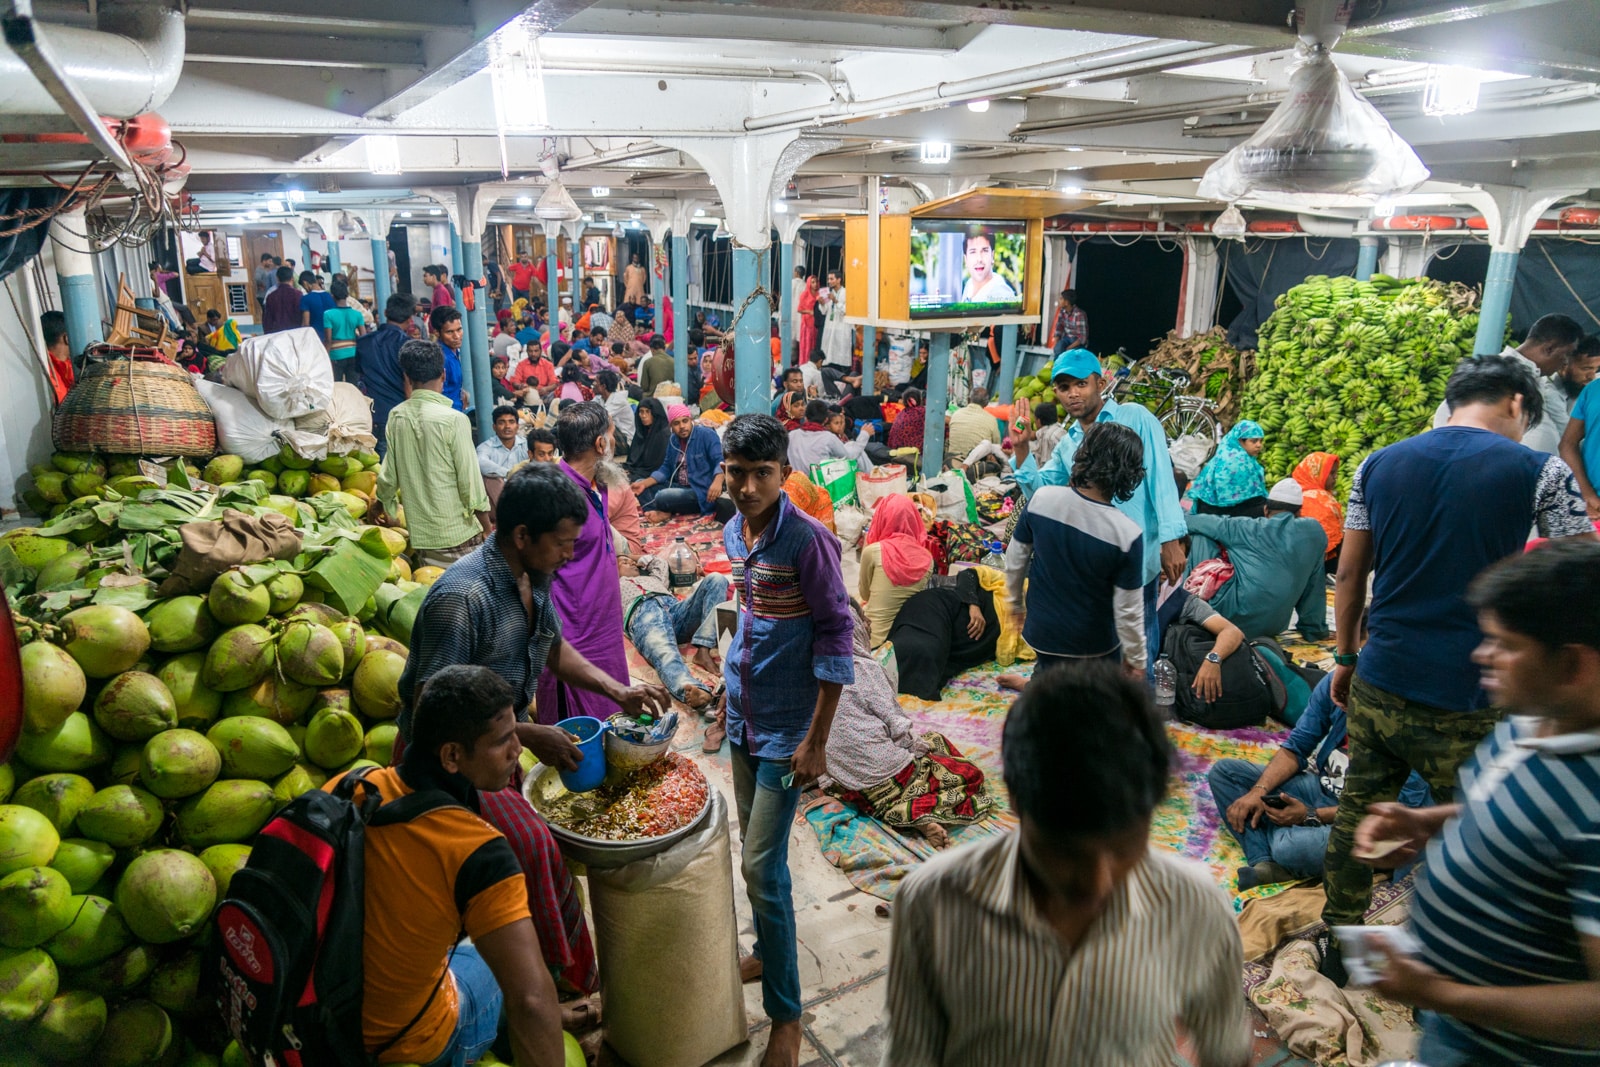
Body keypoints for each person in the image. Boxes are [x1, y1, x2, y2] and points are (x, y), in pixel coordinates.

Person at [1320, 354, 1596, 985]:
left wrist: (1344, 656)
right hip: (1473, 691)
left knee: (1365, 809)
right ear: (1519, 405)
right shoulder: (1540, 470)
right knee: (1473, 827)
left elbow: (1351, 575)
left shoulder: (1379, 463)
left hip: (1383, 675)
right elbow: (1584, 579)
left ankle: (1342, 944)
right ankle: (1456, 954)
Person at [882, 660, 1250, 1067]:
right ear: (1016, 801)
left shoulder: (1197, 910)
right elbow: (910, 1056)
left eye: (1123, 847)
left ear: (1152, 811)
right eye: (1066, 853)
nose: (1097, 881)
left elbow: (1227, 1055)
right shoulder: (933, 903)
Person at [399, 464, 669, 1000]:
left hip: (496, 743)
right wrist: (529, 735)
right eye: (563, 544)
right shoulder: (462, 599)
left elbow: (552, 650)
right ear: (522, 536)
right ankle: (564, 991)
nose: (571, 555)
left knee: (549, 845)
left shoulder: (535, 578)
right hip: (444, 758)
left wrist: (621, 691)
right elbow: (431, 707)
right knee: (532, 846)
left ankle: (553, 968)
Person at [1353, 543, 1600, 1066]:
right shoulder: (1530, 716)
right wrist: (1429, 821)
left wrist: (1444, 995)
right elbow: (1510, 811)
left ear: (1573, 664)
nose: (1480, 655)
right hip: (1456, 1029)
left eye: (1503, 644)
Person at [711, 413, 853, 1067]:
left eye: (760, 474)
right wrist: (725, 685)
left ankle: (787, 1016)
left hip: (790, 729)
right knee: (757, 854)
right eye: (736, 472)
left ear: (784, 474)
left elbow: (835, 637)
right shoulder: (733, 531)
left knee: (759, 867)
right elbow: (747, 617)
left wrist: (817, 740)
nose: (745, 486)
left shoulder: (810, 542)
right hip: (744, 714)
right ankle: (769, 950)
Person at [339, 664, 564, 1066]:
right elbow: (530, 1001)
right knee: (522, 974)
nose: (517, 750)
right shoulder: (479, 852)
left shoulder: (356, 785)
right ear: (452, 756)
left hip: (325, 1015)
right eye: (504, 740)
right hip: (407, 1044)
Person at [1011, 348, 1188, 674]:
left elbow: (1161, 478)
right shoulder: (1068, 443)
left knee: (1138, 647)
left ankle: (1131, 712)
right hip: (1091, 567)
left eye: (1081, 384)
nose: (1073, 394)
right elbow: (1041, 494)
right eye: (1064, 388)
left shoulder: (1135, 417)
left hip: (1136, 560)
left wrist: (1171, 539)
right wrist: (1022, 449)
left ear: (1100, 382)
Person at [1209, 671, 1432, 890]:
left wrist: (1310, 816)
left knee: (1289, 847)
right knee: (1226, 774)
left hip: (1376, 822)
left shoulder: (1414, 719)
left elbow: (1398, 810)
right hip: (1325, 790)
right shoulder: (1338, 683)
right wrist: (1259, 790)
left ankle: (1285, 851)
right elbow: (1297, 745)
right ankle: (1265, 862)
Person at [823, 602, 993, 849]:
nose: (869, 626)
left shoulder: (813, 670)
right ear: (855, 627)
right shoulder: (865, 668)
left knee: (875, 754)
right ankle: (914, 810)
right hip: (889, 775)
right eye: (865, 621)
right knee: (962, 768)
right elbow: (899, 728)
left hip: (846, 782)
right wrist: (918, 751)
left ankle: (891, 806)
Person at [1005, 421, 1149, 676]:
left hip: (1041, 631)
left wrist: (1015, 604)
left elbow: (1015, 559)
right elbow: (1129, 610)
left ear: (1083, 455)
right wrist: (1136, 658)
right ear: (1129, 473)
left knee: (1049, 677)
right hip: (1094, 645)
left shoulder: (1042, 500)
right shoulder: (1127, 534)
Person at [537, 402, 632, 726]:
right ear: (600, 444)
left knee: (612, 712)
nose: (615, 440)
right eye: (611, 434)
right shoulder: (555, 494)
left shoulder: (599, 484)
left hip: (603, 623)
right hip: (573, 630)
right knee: (580, 732)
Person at [375, 340, 491, 570]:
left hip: (423, 539)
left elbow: (387, 476)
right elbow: (471, 483)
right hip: (459, 535)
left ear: (407, 378)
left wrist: (382, 505)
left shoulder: (397, 416)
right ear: (444, 375)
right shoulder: (454, 420)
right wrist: (487, 528)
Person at [1183, 479, 1329, 641]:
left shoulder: (1245, 527)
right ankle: (1313, 628)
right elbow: (1314, 586)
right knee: (1312, 567)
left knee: (1200, 536)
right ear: (1299, 513)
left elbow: (1190, 522)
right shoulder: (1314, 532)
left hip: (1228, 618)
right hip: (1274, 626)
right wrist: (1315, 630)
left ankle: (1188, 606)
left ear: (1266, 510)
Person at [1432, 312, 1582, 455]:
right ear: (1549, 348)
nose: (1566, 362)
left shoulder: (1538, 380)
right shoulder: (1494, 374)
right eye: (1567, 354)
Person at [618, 550, 727, 710]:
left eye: (632, 561)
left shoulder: (653, 579)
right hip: (643, 613)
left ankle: (703, 649)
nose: (632, 563)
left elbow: (658, 563)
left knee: (717, 579)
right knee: (664, 652)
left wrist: (633, 557)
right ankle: (693, 689)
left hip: (675, 609)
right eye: (624, 562)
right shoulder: (611, 587)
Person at [888, 565, 1001, 702]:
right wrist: (973, 604)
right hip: (943, 607)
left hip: (963, 641)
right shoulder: (1013, 584)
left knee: (931, 656)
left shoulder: (1029, 626)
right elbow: (969, 574)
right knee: (921, 647)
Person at [631, 404, 730, 523]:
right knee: (639, 485)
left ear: (691, 420)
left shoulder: (707, 435)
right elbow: (666, 469)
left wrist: (717, 482)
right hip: (680, 488)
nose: (682, 426)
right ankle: (659, 512)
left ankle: (662, 509)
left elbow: (720, 460)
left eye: (685, 421)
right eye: (676, 423)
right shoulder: (673, 440)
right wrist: (644, 483)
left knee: (662, 496)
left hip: (700, 491)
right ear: (671, 426)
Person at [858, 494, 934, 647]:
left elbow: (865, 594)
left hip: (873, 640)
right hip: (906, 640)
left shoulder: (873, 552)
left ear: (882, 518)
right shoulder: (928, 559)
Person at [357, 292, 418, 458]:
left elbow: (359, 376)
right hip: (398, 415)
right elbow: (409, 384)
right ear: (410, 318)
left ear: (384, 313)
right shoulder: (407, 345)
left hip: (369, 416)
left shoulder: (363, 343)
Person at [1187, 420, 1268, 516]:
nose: (1259, 445)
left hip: (1207, 511)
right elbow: (1248, 499)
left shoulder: (1224, 453)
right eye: (1253, 441)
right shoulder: (1238, 460)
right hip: (1222, 514)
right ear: (1240, 441)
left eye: (1260, 441)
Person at [788, 399, 874, 475]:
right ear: (826, 420)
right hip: (820, 485)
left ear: (806, 418)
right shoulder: (828, 438)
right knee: (855, 450)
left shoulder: (791, 435)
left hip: (797, 483)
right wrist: (864, 435)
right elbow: (849, 457)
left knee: (851, 446)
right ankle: (873, 478)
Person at [1292, 451, 1344, 562]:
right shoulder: (1320, 498)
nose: (1336, 477)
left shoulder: (1295, 494)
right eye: (1331, 473)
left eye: (1336, 473)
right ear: (1316, 474)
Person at [945, 385, 1001, 468]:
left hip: (952, 462)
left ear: (969, 399)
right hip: (977, 467)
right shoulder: (991, 419)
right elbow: (996, 444)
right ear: (986, 403)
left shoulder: (956, 414)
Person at [322, 278, 366, 382]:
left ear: (332, 296)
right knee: (353, 386)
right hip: (353, 353)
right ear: (347, 295)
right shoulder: (357, 315)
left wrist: (325, 357)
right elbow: (364, 336)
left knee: (337, 384)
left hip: (336, 354)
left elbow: (328, 339)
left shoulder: (328, 314)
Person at [957, 229, 1017, 304]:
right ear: (966, 259)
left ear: (992, 256)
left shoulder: (1002, 294)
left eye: (984, 251)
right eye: (973, 252)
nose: (979, 259)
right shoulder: (970, 284)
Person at [428, 306, 467, 413]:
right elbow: (438, 395)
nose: (457, 336)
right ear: (437, 332)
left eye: (459, 330)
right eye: (449, 332)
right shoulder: (441, 358)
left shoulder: (453, 352)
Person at [478, 403, 529, 480]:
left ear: (517, 426)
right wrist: (509, 473)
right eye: (502, 422)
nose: (507, 426)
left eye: (511, 422)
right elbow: (481, 462)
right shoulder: (485, 447)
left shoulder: (526, 444)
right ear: (494, 427)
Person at [625, 397, 669, 483]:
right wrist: (628, 470)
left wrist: (632, 472)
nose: (644, 416)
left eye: (647, 412)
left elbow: (657, 466)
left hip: (653, 476)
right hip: (639, 471)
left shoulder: (663, 435)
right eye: (641, 412)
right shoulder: (642, 432)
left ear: (655, 413)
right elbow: (633, 460)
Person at [819, 271, 851, 368]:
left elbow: (847, 310)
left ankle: (842, 370)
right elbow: (824, 311)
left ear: (839, 280)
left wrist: (835, 301)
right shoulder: (828, 293)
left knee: (841, 350)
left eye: (832, 279)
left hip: (841, 326)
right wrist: (822, 303)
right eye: (828, 279)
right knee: (829, 350)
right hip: (830, 325)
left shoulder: (846, 293)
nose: (829, 281)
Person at [594, 369, 632, 449]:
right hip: (612, 437)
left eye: (596, 382)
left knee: (598, 426)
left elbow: (601, 418)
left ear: (603, 386)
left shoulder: (618, 400)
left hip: (624, 440)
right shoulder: (599, 398)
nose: (593, 384)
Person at [298, 271, 336, 343]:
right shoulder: (330, 296)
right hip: (332, 337)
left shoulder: (305, 299)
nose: (305, 290)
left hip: (316, 339)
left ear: (305, 283)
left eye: (304, 287)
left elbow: (306, 324)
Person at [262, 265, 302, 333]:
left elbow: (267, 320)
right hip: (294, 332)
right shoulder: (298, 294)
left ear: (277, 278)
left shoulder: (271, 296)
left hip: (277, 333)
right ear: (292, 278)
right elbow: (300, 315)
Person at [886, 388, 926, 453]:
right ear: (920, 399)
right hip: (914, 451)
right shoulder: (923, 411)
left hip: (896, 450)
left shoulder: (901, 414)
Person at [1049, 287, 1087, 355]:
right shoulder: (1062, 312)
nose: (1059, 301)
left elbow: (1082, 338)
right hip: (1067, 338)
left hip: (1076, 341)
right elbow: (1058, 329)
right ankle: (1057, 364)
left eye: (1061, 299)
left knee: (1070, 354)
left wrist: (1068, 349)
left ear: (1066, 302)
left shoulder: (1079, 314)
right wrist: (1056, 345)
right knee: (1059, 348)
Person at [1031, 400, 1065, 466]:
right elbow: (1034, 435)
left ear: (1038, 420)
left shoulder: (1046, 437)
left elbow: (1046, 464)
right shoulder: (1061, 430)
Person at [797, 276, 820, 363]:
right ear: (809, 283)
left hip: (817, 323)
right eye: (813, 282)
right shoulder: (805, 294)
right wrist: (810, 311)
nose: (815, 284)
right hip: (807, 324)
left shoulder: (820, 294)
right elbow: (799, 309)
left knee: (815, 343)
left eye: (816, 282)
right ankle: (804, 362)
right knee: (806, 344)